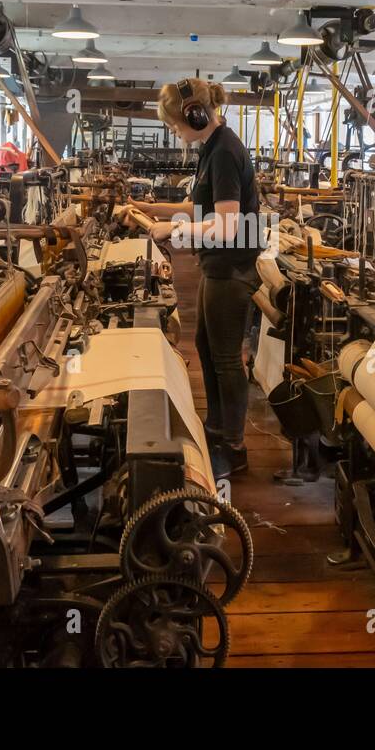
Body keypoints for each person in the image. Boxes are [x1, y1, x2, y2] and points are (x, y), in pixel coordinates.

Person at [124, 78, 263, 477]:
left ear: (196, 115)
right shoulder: (212, 147)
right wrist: (153, 207)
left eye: (174, 125)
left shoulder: (224, 152)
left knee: (224, 357)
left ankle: (234, 447)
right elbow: (197, 204)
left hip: (232, 267)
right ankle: (217, 428)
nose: (174, 132)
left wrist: (174, 232)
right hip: (217, 265)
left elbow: (226, 224)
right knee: (204, 345)